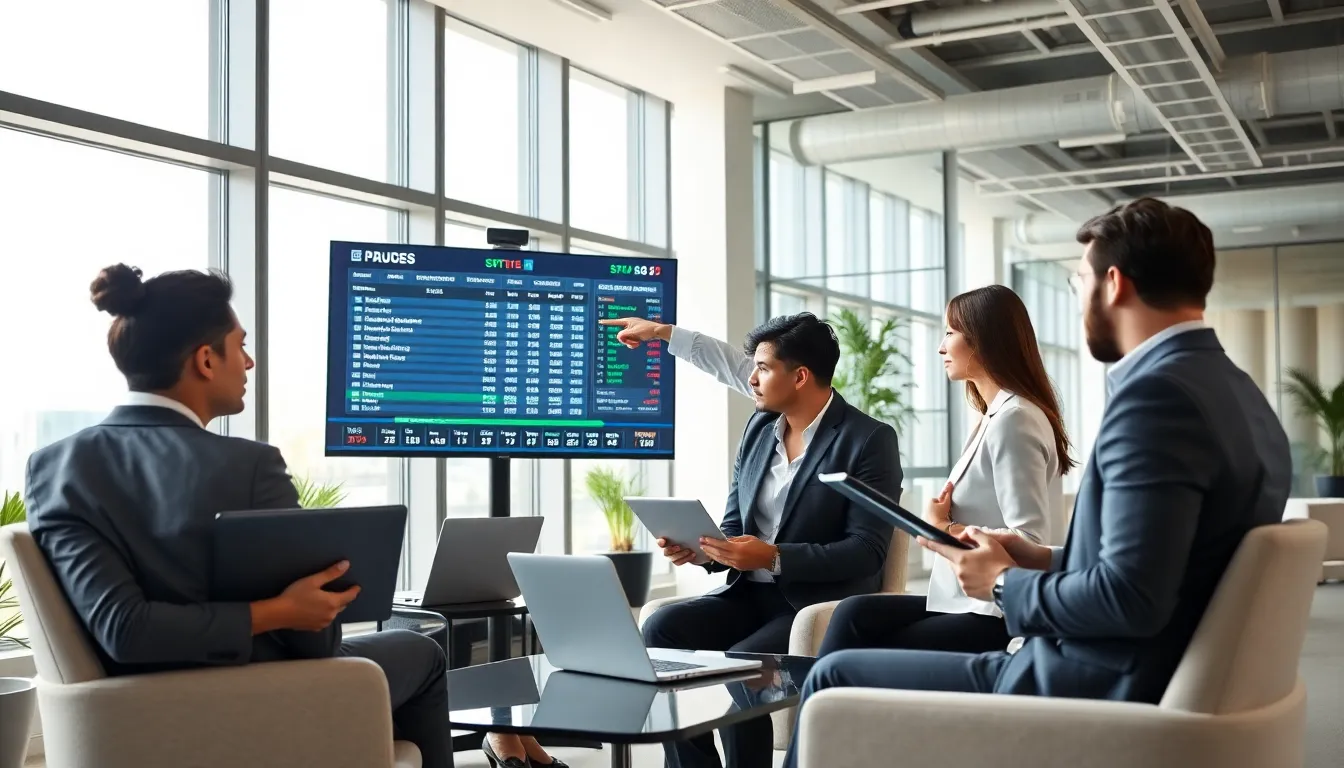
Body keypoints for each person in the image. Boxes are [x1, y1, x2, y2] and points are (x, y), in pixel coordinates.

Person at [777, 197, 1294, 768]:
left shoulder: (1156, 399)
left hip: (1088, 680)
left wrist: (1002, 583)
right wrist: (1040, 557)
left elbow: (1130, 600)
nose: (1078, 301)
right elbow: (1157, 560)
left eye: (1079, 281)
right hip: (1145, 666)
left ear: (1113, 283)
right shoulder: (1241, 395)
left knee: (833, 673)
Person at [23, 265, 451, 768]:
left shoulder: (54, 466)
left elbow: (119, 627)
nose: (248, 363)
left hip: (127, 717)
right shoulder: (248, 465)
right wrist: (283, 611)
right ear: (206, 359)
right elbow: (313, 643)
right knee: (420, 652)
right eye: (240, 346)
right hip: (252, 699)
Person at [604, 312, 899, 768]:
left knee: (745, 660)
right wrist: (704, 552)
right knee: (661, 629)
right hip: (747, 593)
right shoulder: (760, 429)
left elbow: (867, 551)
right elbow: (734, 525)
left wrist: (775, 557)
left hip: (811, 605)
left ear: (799, 376)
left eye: (762, 368)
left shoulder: (867, 439)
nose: (752, 379)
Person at [819, 284, 1075, 660]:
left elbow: (1030, 539)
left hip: (994, 613)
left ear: (983, 340)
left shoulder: (1014, 419)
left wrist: (945, 529)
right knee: (854, 614)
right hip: (963, 603)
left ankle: (823, 715)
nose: (941, 346)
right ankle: (813, 718)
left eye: (950, 333)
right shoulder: (995, 415)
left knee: (860, 649)